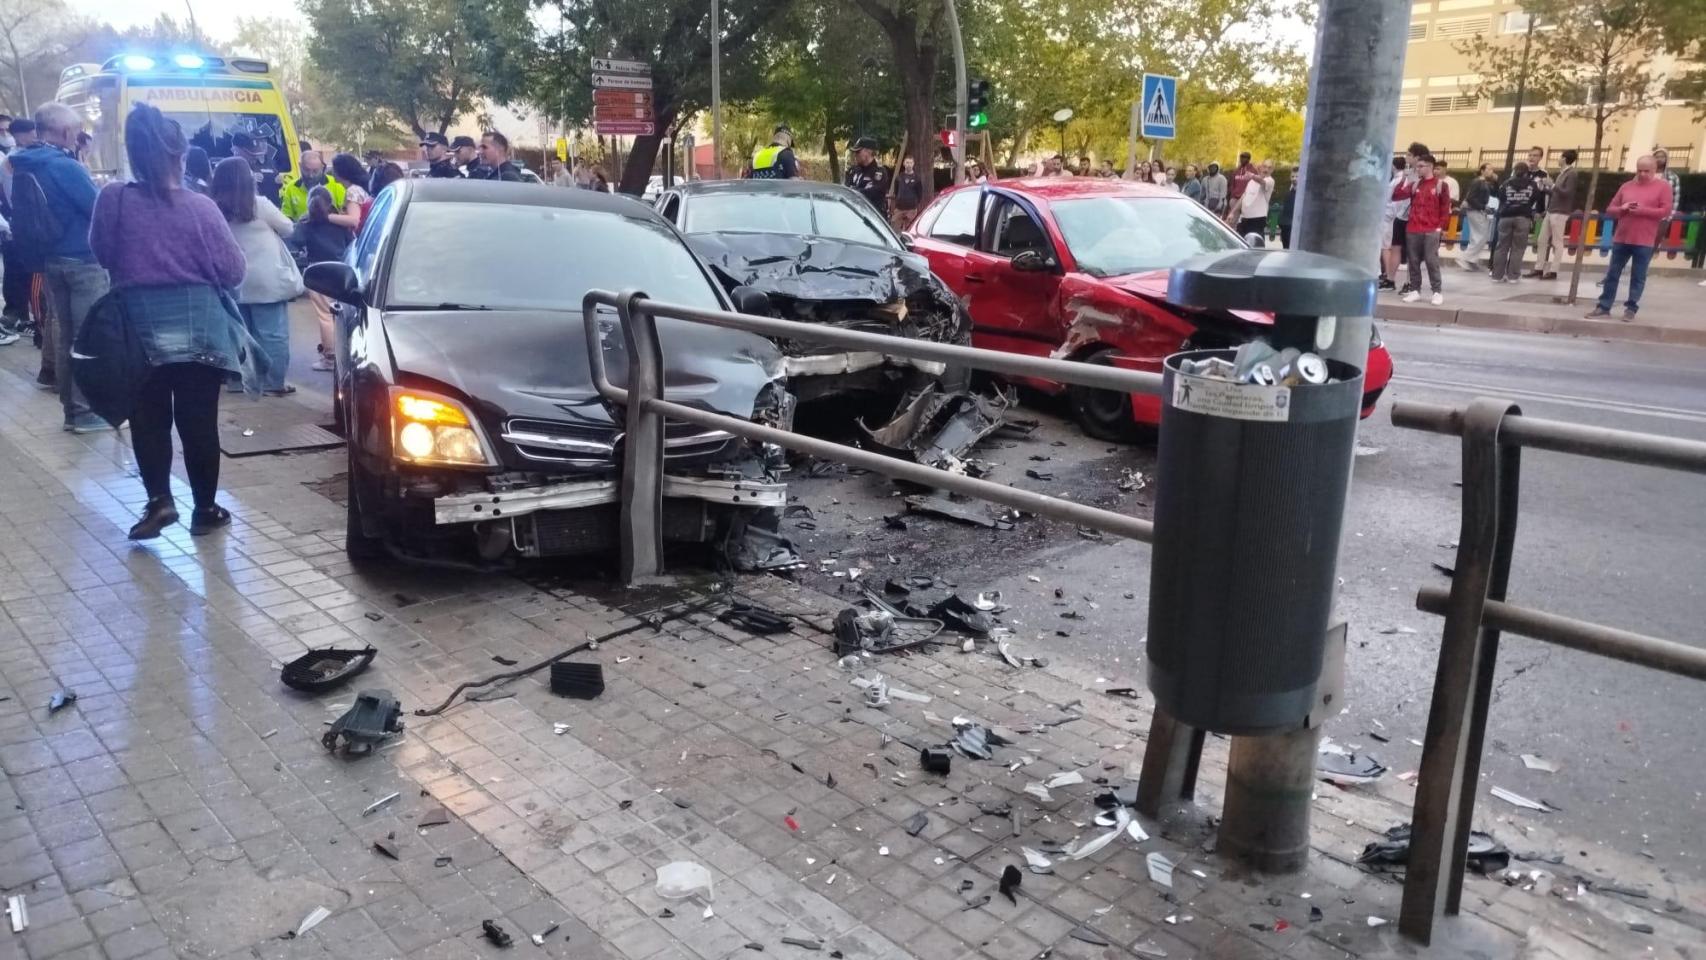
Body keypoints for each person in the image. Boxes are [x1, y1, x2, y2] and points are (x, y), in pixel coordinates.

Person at [88, 103, 248, 539]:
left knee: (148, 417)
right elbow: (233, 271)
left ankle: (159, 500)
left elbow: (102, 253)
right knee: (199, 421)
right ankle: (205, 510)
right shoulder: (202, 208)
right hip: (201, 327)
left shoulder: (113, 199)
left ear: (133, 153)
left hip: (136, 328)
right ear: (180, 156)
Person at [11, 102, 109, 432]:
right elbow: (97, 208)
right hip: (82, 260)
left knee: (67, 335)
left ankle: (72, 409)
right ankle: (84, 413)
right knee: (86, 338)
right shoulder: (65, 167)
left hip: (50, 259)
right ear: (66, 132)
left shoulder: (25, 163)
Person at [212, 157, 299, 397]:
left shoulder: (213, 208)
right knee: (272, 335)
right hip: (267, 281)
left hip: (233, 281)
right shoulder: (260, 205)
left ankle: (240, 382)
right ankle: (273, 383)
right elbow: (288, 228)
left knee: (239, 334)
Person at [1586, 156, 1672, 320]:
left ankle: (1631, 308)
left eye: (1646, 171)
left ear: (1654, 170)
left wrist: (1642, 210)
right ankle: (1604, 307)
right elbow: (1611, 209)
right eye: (1639, 170)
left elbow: (1665, 212)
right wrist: (1623, 208)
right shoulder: (1626, 186)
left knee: (1638, 276)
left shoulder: (1663, 187)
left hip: (1644, 240)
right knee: (1612, 274)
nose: (1642, 174)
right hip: (1622, 238)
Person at [292, 186, 352, 371]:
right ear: (330, 201)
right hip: (342, 269)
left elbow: (297, 241)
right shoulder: (339, 221)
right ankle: (347, 352)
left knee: (325, 315)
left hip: (317, 270)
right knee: (343, 314)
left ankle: (329, 357)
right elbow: (350, 241)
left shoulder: (306, 222)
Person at [1392, 153, 1451, 305]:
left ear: (1430, 166)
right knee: (1413, 261)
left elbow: (1445, 207)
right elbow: (1396, 195)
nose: (1417, 169)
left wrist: (1440, 227)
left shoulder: (1441, 185)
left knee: (1432, 260)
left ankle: (1437, 292)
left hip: (1431, 229)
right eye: (1417, 166)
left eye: (1420, 166)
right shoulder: (1415, 184)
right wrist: (1405, 179)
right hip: (1413, 228)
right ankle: (1415, 290)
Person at [1527, 149, 1577, 280]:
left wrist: (1552, 185)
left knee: (1557, 242)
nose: (1558, 160)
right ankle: (1539, 268)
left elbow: (1567, 193)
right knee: (1541, 239)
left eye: (1560, 157)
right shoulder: (1562, 173)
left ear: (1565, 159)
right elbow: (1557, 193)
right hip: (1551, 210)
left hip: (1560, 212)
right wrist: (1546, 189)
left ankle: (1554, 270)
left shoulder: (1571, 174)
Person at [1490, 162, 1540, 283]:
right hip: (1523, 217)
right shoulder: (1532, 184)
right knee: (1518, 248)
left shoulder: (1506, 183)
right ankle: (1513, 276)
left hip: (1506, 217)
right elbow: (1535, 198)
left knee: (1501, 247)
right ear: (1526, 172)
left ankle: (1497, 275)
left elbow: (1500, 197)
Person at [278, 150, 345, 220]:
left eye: (315, 171)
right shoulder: (291, 187)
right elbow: (286, 216)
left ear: (322, 167)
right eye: (306, 170)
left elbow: (345, 213)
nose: (311, 175)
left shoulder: (336, 184)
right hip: (303, 229)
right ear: (300, 166)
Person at [1457, 163, 1497, 271]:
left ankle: (1471, 260)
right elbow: (1471, 197)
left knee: (1478, 236)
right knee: (1481, 236)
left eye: (1492, 169)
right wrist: (1483, 207)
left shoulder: (1484, 183)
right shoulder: (1478, 182)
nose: (1491, 171)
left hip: (1478, 210)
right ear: (1482, 170)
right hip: (1475, 210)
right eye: (1489, 169)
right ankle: (1465, 257)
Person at [1378, 155, 1408, 290]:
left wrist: (1388, 215)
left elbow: (1395, 200)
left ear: (1394, 166)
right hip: (1391, 215)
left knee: (1386, 247)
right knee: (1387, 246)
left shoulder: (1399, 179)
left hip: (1390, 216)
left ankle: (1387, 274)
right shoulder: (1398, 179)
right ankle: (1386, 274)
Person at [231, 131, 282, 206]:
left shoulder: (267, 162)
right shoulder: (229, 170)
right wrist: (250, 179)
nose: (254, 157)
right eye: (250, 154)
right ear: (237, 151)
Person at [845, 137, 888, 216]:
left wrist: (853, 190)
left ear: (868, 151)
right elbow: (846, 190)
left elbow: (872, 193)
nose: (855, 155)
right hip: (855, 215)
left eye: (858, 152)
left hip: (873, 218)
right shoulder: (853, 170)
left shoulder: (879, 172)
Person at [329, 152, 373, 229]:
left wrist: (326, 217)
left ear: (341, 171)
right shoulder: (359, 188)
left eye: (334, 168)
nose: (331, 171)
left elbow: (354, 220)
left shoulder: (352, 191)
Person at [1234, 159, 1274, 241]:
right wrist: (1232, 213)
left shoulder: (1270, 180)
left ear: (1272, 170)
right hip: (1245, 218)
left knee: (1256, 244)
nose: (1266, 170)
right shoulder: (1251, 182)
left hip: (1257, 219)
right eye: (1264, 167)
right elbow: (1243, 198)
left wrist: (1251, 175)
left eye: (1269, 168)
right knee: (1241, 243)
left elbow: (1262, 181)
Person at [892, 155, 923, 229]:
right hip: (899, 208)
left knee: (910, 230)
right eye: (907, 162)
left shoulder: (917, 178)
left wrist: (915, 203)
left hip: (911, 209)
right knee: (894, 229)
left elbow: (920, 193)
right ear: (904, 163)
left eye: (910, 163)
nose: (909, 165)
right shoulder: (899, 177)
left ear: (913, 164)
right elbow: (896, 191)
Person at [1226, 152, 1257, 224]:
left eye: (1244, 157)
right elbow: (1232, 184)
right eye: (1241, 157)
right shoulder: (1236, 171)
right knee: (1231, 220)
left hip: (1246, 199)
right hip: (1235, 199)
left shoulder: (1253, 171)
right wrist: (1232, 195)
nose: (1242, 159)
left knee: (1245, 221)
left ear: (1248, 159)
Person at [1276, 168, 1298, 249]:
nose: (1294, 178)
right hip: (1286, 226)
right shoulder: (1289, 192)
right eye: (1292, 176)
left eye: (1297, 176)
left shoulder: (1302, 193)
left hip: (1293, 227)